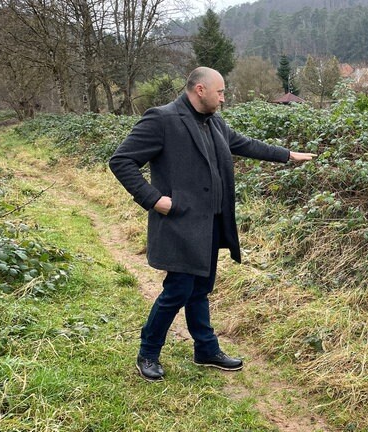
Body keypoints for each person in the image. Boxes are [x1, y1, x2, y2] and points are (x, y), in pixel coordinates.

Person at [109, 67, 316, 381]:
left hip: (210, 224)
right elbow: (121, 160)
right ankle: (148, 352)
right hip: (179, 223)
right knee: (177, 290)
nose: (224, 97)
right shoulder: (162, 119)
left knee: (200, 288)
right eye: (220, 92)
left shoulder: (214, 122)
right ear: (200, 90)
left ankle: (205, 349)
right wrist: (154, 199)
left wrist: (288, 155)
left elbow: (246, 144)